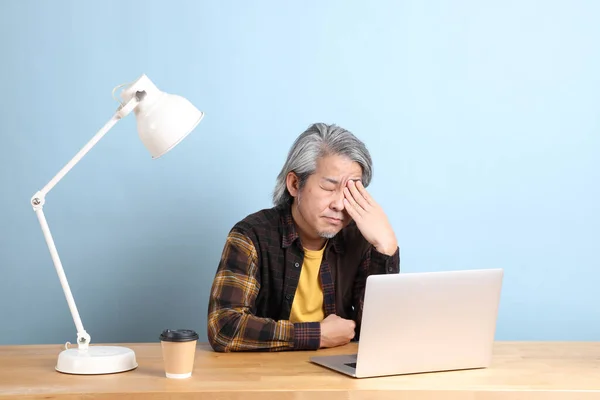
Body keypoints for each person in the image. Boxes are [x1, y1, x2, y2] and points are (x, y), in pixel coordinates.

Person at [207, 123, 400, 352]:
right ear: (295, 184)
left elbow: (381, 334)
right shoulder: (251, 236)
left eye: (351, 191)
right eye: (329, 188)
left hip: (338, 378)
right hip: (264, 376)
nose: (339, 204)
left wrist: (386, 247)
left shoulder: (361, 240)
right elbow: (224, 327)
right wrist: (317, 335)